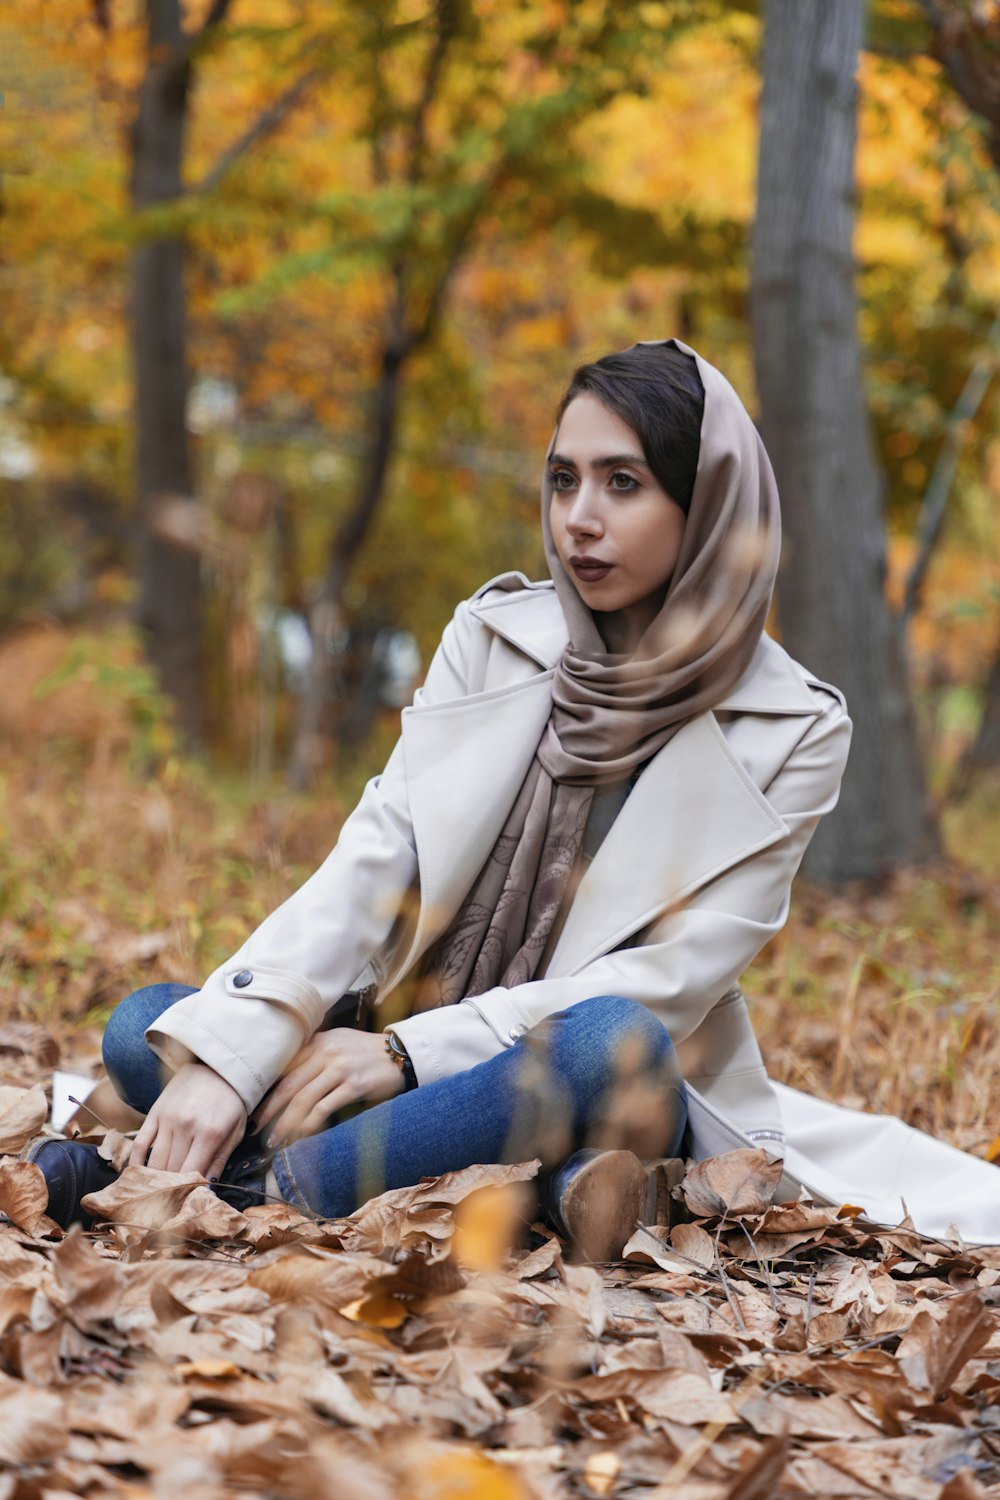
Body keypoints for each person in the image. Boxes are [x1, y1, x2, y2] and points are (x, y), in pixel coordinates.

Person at [30, 338, 854, 1259]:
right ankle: (519, 1188)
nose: (580, 517)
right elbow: (373, 855)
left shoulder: (793, 726)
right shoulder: (494, 635)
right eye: (563, 479)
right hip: (400, 1049)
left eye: (624, 483)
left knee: (608, 1040)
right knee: (150, 1025)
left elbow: (671, 983)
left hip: (578, 1073)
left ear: (707, 505)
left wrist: (406, 1055)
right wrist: (237, 1054)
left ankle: (234, 1191)